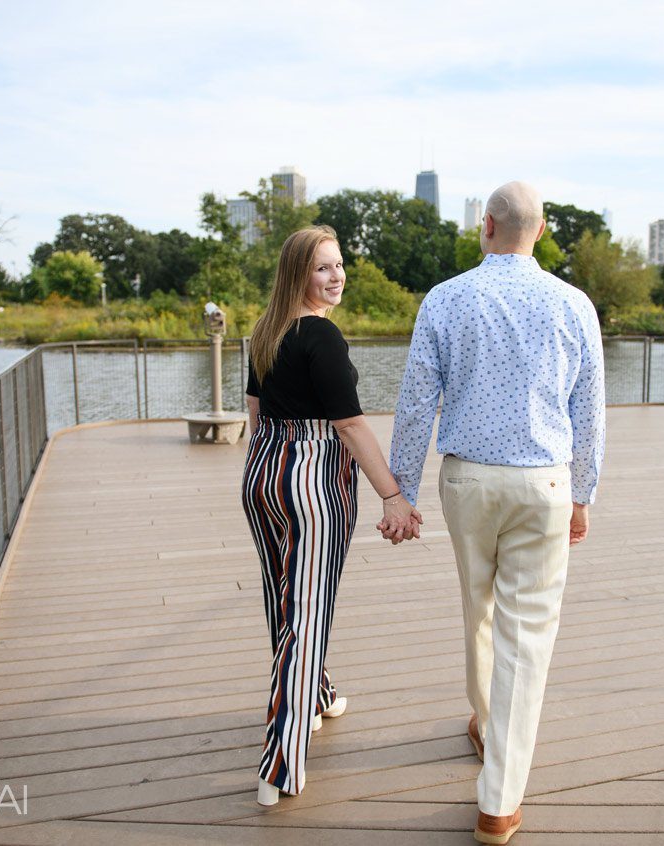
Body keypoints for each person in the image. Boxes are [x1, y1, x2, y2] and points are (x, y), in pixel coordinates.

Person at [385, 182, 605, 844]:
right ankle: (499, 802)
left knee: (478, 605)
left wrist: (403, 490)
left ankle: (484, 719)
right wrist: (584, 493)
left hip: (469, 482)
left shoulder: (446, 299)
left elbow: (417, 400)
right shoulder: (573, 305)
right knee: (527, 635)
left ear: (486, 226)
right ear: (539, 231)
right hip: (543, 483)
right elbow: (588, 409)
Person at [242, 225, 422, 807]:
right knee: (309, 611)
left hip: (263, 472)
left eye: (339, 265)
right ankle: (279, 765)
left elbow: (253, 411)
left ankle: (315, 694)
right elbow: (350, 425)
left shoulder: (264, 333)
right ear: (299, 275)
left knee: (285, 600)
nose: (336, 276)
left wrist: (265, 470)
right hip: (311, 478)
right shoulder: (322, 338)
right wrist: (392, 495)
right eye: (323, 268)